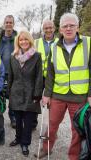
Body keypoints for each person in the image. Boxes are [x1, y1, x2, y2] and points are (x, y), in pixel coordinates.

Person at [35, 13, 91, 160]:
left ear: (77, 27)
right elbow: (51, 73)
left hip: (80, 96)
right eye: (65, 26)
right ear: (59, 29)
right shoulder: (54, 47)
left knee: (77, 130)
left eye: (71, 25)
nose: (68, 28)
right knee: (52, 125)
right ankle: (46, 148)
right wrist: (47, 94)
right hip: (58, 94)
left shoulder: (88, 43)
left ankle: (74, 156)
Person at [8, 30, 43, 157]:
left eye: (26, 39)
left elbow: (39, 76)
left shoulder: (37, 56)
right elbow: (10, 76)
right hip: (16, 92)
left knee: (28, 121)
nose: (23, 42)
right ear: (18, 42)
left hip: (30, 93)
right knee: (17, 119)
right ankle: (18, 138)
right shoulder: (13, 57)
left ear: (30, 40)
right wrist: (9, 93)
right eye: (21, 40)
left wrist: (37, 94)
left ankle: (25, 143)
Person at [0, 15, 17, 129]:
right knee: (0, 95)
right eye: (6, 22)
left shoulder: (18, 38)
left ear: (13, 24)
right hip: (0, 72)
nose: (8, 24)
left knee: (12, 96)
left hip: (14, 72)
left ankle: (13, 118)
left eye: (10, 22)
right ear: (4, 24)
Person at [33, 19, 57, 129]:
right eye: (46, 28)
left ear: (54, 28)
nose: (48, 30)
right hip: (37, 76)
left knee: (52, 101)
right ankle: (33, 122)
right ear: (43, 29)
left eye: (50, 27)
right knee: (35, 99)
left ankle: (50, 126)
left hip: (53, 77)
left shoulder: (59, 42)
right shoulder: (36, 42)